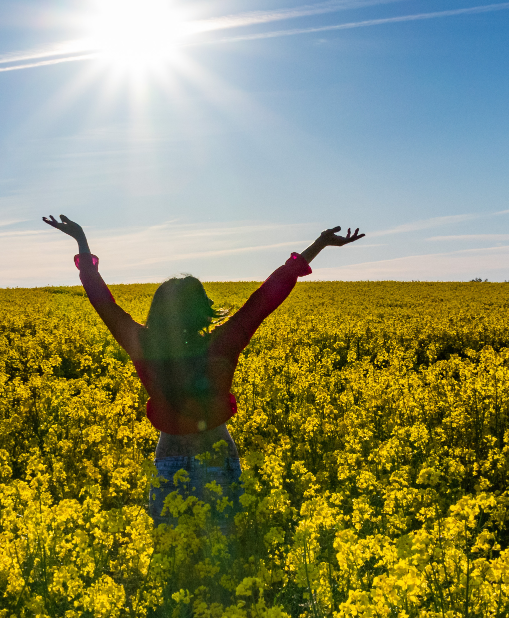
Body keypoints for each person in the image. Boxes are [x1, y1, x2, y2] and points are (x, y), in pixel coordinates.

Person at [43, 215, 364, 525]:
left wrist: (82, 240)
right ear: (202, 309)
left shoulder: (144, 345)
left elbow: (102, 300)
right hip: (217, 459)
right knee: (224, 555)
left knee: (172, 566)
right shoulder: (223, 343)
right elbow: (265, 298)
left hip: (169, 459)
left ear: (158, 310)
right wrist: (318, 245)